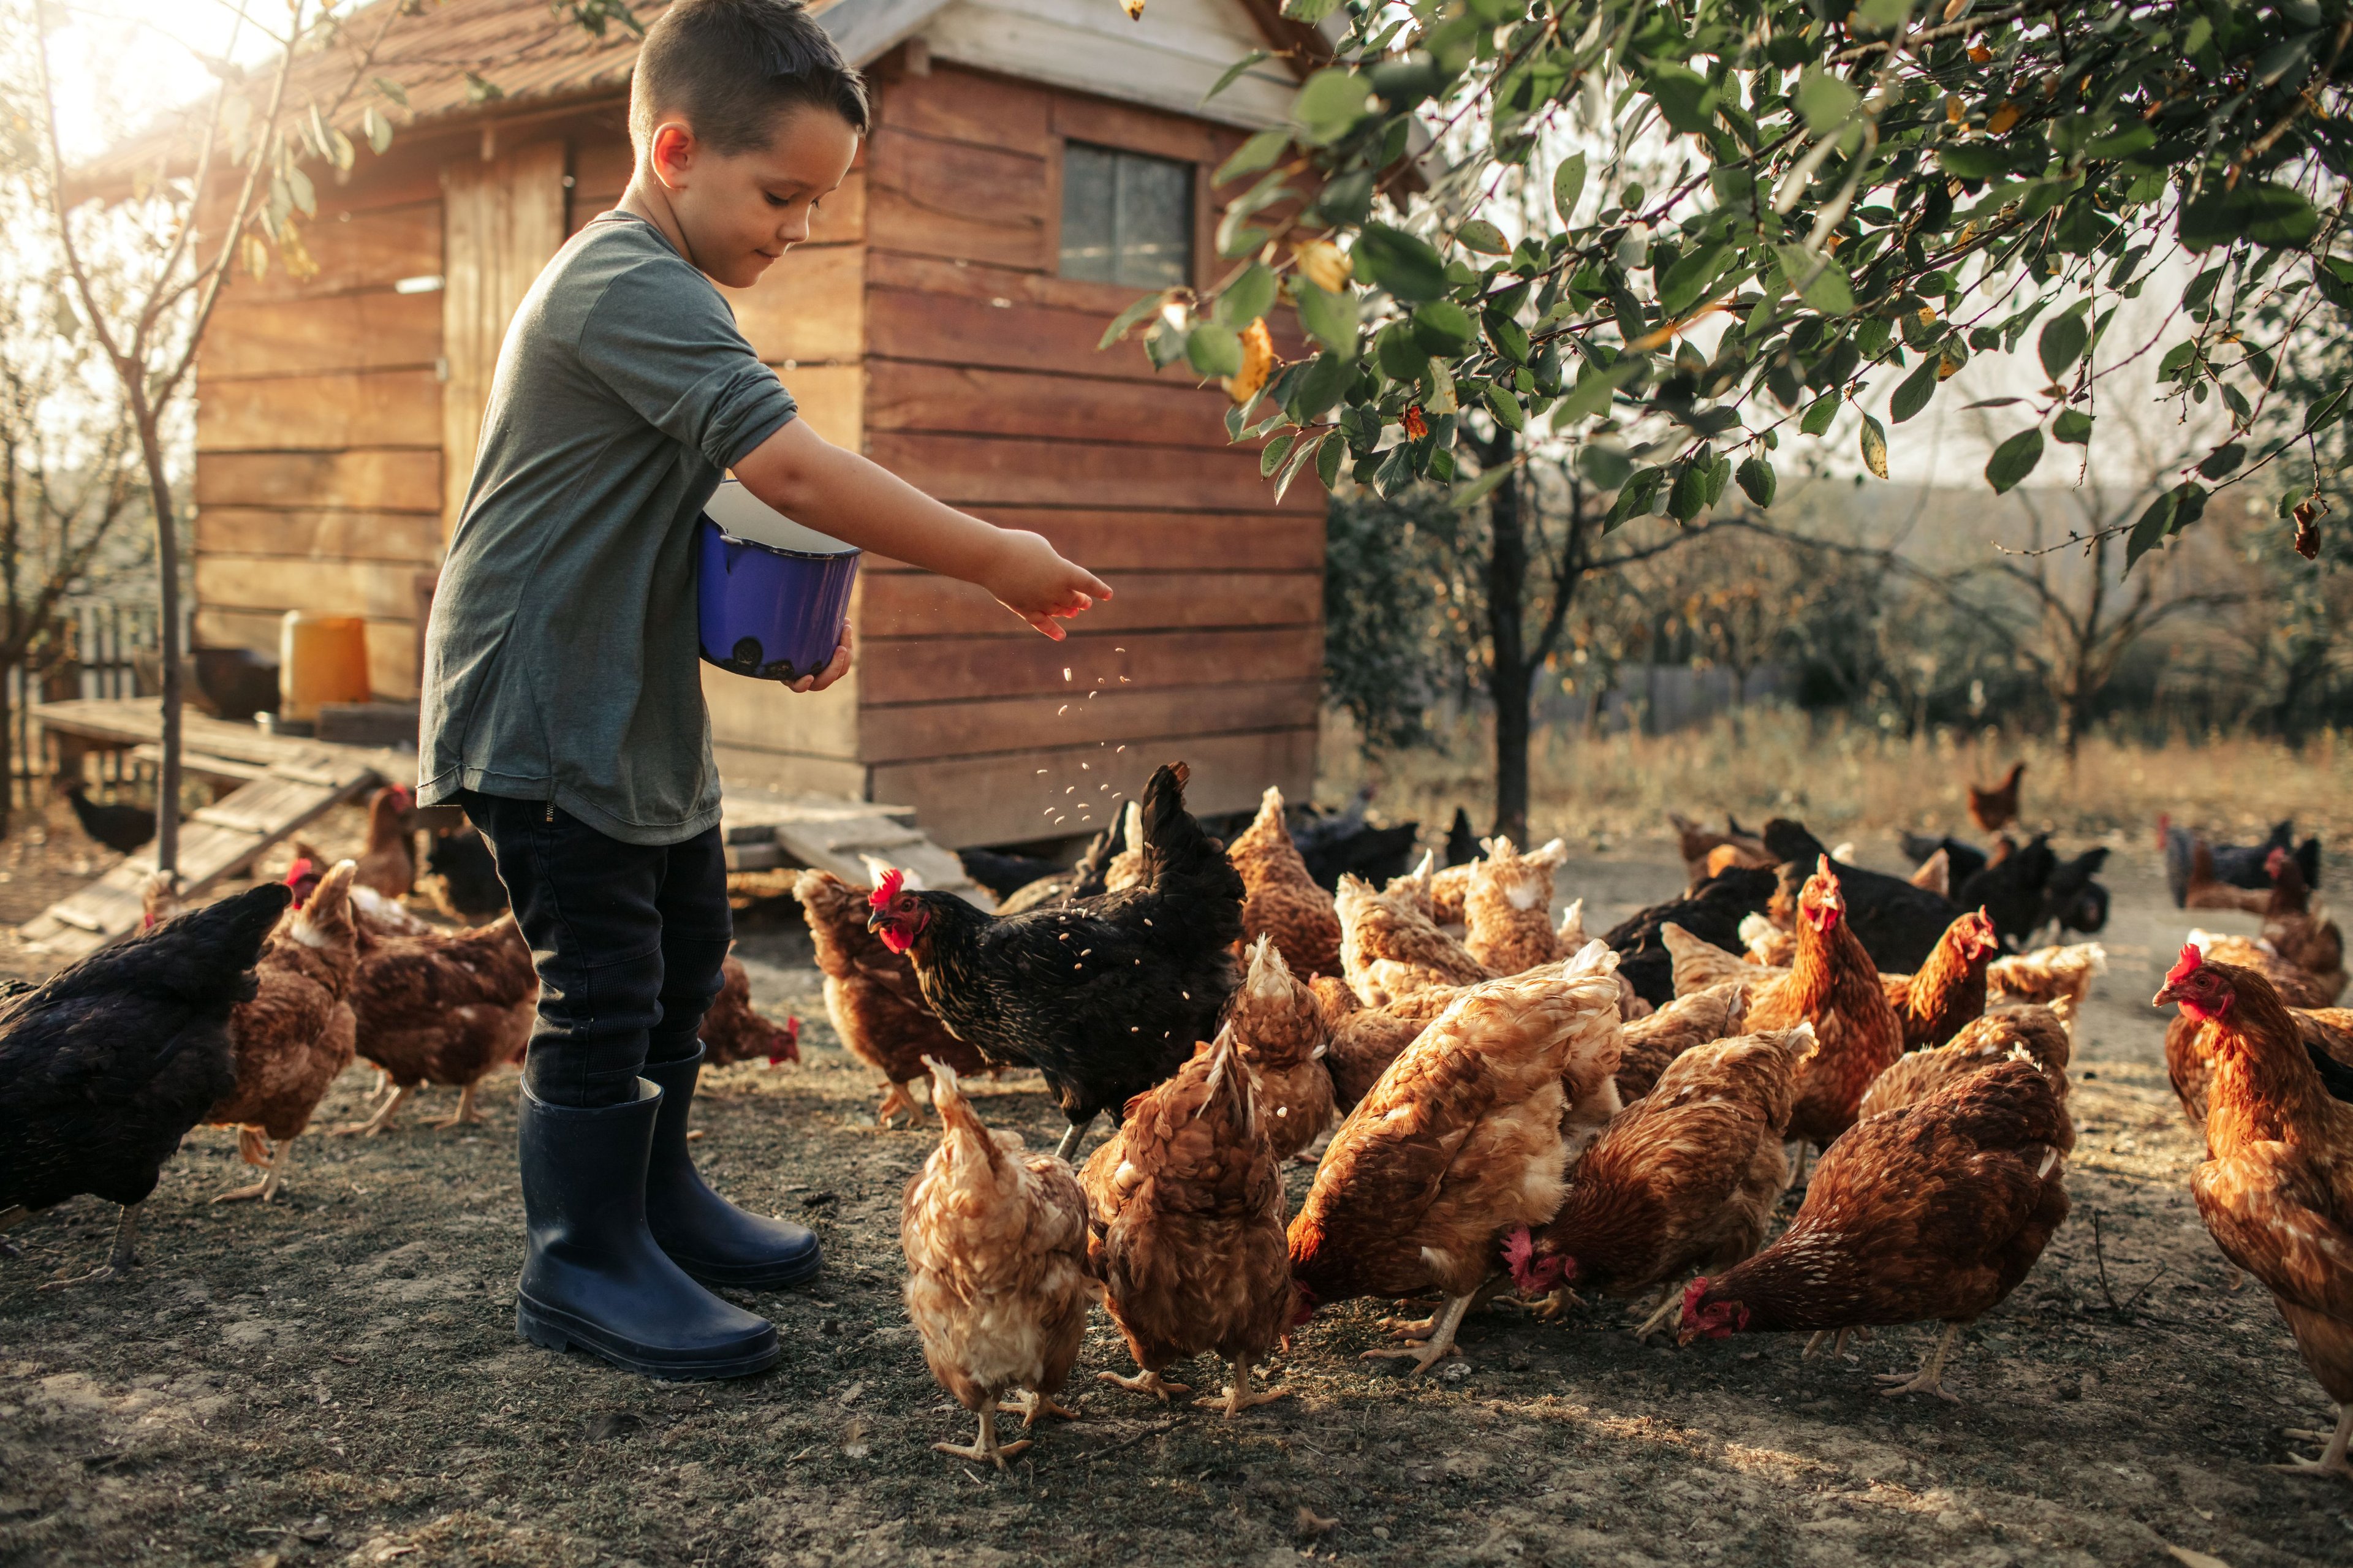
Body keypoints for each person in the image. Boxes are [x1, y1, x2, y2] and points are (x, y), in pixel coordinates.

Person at [416, 0, 1109, 1381]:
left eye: (815, 202)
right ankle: (580, 1261)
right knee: (604, 986)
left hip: (628, 703)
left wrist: (777, 620)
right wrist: (989, 558)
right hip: (545, 705)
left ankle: (654, 1205)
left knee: (679, 958)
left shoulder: (670, 295)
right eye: (781, 193)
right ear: (674, 148)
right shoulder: (623, 281)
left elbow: (688, 500)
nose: (797, 226)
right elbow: (788, 468)